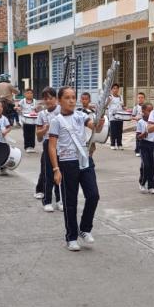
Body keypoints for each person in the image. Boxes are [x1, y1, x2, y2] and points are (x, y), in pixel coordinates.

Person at [48, 86, 102, 251]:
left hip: (85, 161)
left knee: (93, 196)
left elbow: (95, 127)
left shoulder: (81, 115)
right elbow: (52, 147)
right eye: (67, 97)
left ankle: (84, 229)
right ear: (60, 100)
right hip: (67, 163)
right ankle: (71, 237)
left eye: (73, 97)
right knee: (70, 202)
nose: (71, 100)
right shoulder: (56, 121)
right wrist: (56, 169)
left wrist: (101, 121)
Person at [35, 88, 62, 212]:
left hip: (61, 144)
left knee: (61, 172)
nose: (49, 101)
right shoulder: (42, 114)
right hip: (48, 143)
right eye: (46, 98)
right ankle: (47, 201)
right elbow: (39, 136)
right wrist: (44, 129)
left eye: (51, 98)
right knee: (48, 173)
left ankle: (59, 200)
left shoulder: (61, 111)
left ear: (56, 99)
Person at [135, 103, 154, 194]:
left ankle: (151, 185)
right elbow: (138, 137)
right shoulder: (140, 122)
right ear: (143, 112)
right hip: (144, 145)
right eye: (149, 111)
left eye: (152, 110)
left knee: (153, 166)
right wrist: (144, 134)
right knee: (146, 165)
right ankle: (142, 183)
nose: (151, 113)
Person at [77, 92, 98, 157]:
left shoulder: (92, 111)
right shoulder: (78, 111)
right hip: (81, 134)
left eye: (86, 99)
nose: (84, 101)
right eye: (83, 99)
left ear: (89, 100)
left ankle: (90, 159)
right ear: (80, 100)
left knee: (91, 149)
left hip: (90, 133)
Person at [18, 88, 38, 153]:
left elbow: (36, 110)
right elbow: (19, 108)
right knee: (26, 134)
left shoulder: (35, 101)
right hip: (25, 120)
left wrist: (37, 109)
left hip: (33, 121)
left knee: (32, 134)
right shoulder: (22, 101)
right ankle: (27, 146)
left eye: (31, 93)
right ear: (25, 94)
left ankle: (32, 146)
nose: (29, 95)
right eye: (28, 93)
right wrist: (18, 109)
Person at [107, 83, 125, 150]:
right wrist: (108, 101)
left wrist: (125, 108)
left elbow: (122, 105)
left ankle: (119, 144)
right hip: (112, 117)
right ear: (111, 89)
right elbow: (106, 105)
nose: (115, 90)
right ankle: (113, 144)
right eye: (114, 88)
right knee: (113, 131)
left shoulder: (120, 97)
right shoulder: (110, 97)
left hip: (120, 116)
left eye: (117, 88)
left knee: (119, 131)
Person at [131, 92, 146, 156]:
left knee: (144, 138)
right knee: (138, 138)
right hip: (138, 126)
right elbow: (132, 116)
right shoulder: (136, 107)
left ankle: (143, 150)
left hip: (145, 126)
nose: (140, 99)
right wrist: (136, 118)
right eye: (139, 98)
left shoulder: (146, 106)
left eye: (142, 98)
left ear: (144, 99)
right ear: (137, 99)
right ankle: (137, 151)